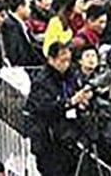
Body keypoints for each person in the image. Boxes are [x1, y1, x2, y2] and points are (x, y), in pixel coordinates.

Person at [25, 41, 93, 176]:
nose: (66, 64)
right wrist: (69, 102)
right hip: (48, 138)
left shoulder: (72, 76)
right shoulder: (41, 81)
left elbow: (78, 91)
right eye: (62, 61)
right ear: (51, 59)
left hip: (70, 135)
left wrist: (83, 100)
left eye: (68, 60)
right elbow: (44, 107)